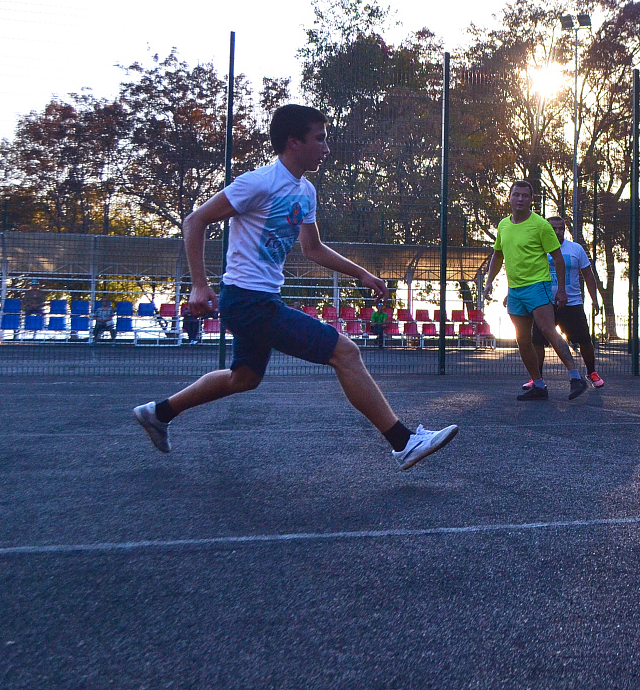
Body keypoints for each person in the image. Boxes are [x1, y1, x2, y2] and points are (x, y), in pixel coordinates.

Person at [132, 104, 457, 471]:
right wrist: (199, 285)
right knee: (345, 352)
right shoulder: (258, 183)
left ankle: (158, 413)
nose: (326, 148)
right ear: (293, 142)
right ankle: (403, 442)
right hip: (247, 301)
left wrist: (361, 274)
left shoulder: (305, 192)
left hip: (261, 300)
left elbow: (312, 248)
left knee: (244, 378)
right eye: (319, 139)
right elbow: (195, 221)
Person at [478, 180, 587, 401]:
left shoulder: (540, 225)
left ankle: (576, 377)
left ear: (531, 200)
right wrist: (489, 281)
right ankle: (538, 385)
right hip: (515, 290)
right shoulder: (503, 226)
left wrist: (562, 291)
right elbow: (498, 255)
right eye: (516, 194)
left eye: (525, 196)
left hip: (538, 285)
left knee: (548, 330)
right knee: (522, 339)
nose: (520, 199)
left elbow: (557, 258)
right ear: (509, 197)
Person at [526, 214, 605, 391]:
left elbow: (588, 275)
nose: (558, 231)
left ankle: (591, 372)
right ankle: (536, 379)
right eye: (553, 228)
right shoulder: (537, 249)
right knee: (537, 342)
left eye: (561, 228)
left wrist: (594, 299)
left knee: (584, 340)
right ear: (546, 229)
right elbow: (526, 274)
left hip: (572, 303)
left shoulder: (576, 249)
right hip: (544, 303)